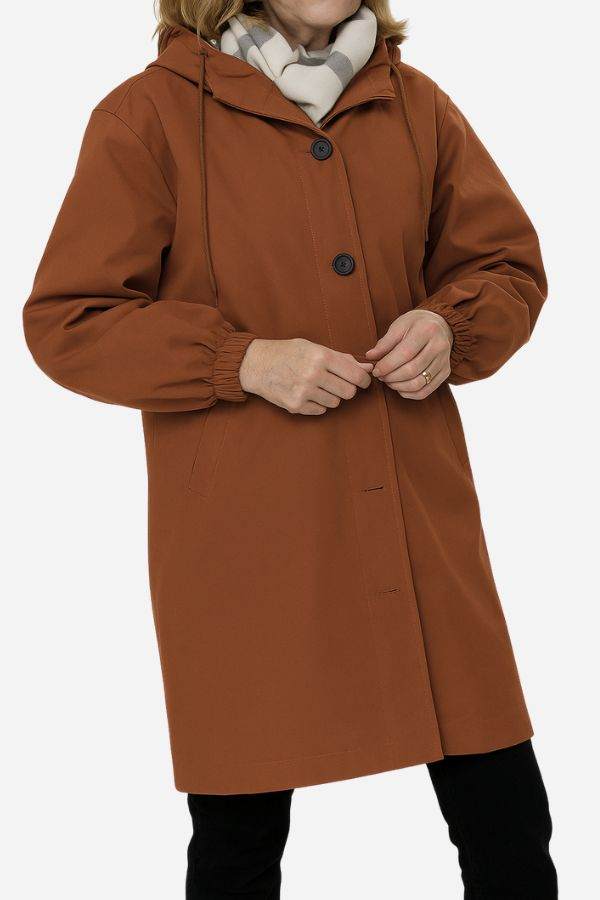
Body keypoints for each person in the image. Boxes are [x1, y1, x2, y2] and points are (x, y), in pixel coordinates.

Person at [23, 1, 558, 897]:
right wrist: (239, 361)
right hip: (249, 542)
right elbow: (69, 321)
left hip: (417, 526)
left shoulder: (416, 106)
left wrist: (448, 326)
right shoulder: (148, 115)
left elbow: (505, 265)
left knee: (508, 828)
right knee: (238, 847)